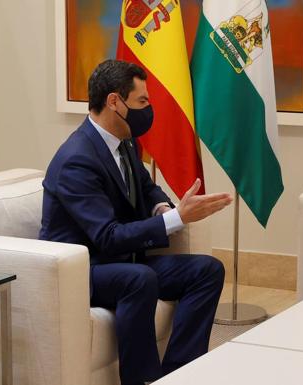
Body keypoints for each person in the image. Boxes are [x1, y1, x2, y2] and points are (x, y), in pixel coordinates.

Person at [39, 59, 233, 385]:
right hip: (83, 270)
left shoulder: (124, 140)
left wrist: (161, 207)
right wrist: (176, 218)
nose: (149, 109)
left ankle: (179, 373)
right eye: (142, 101)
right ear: (115, 101)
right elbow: (108, 237)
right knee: (138, 279)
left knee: (207, 270)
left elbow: (145, 185)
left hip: (123, 261)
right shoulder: (77, 160)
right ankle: (140, 379)